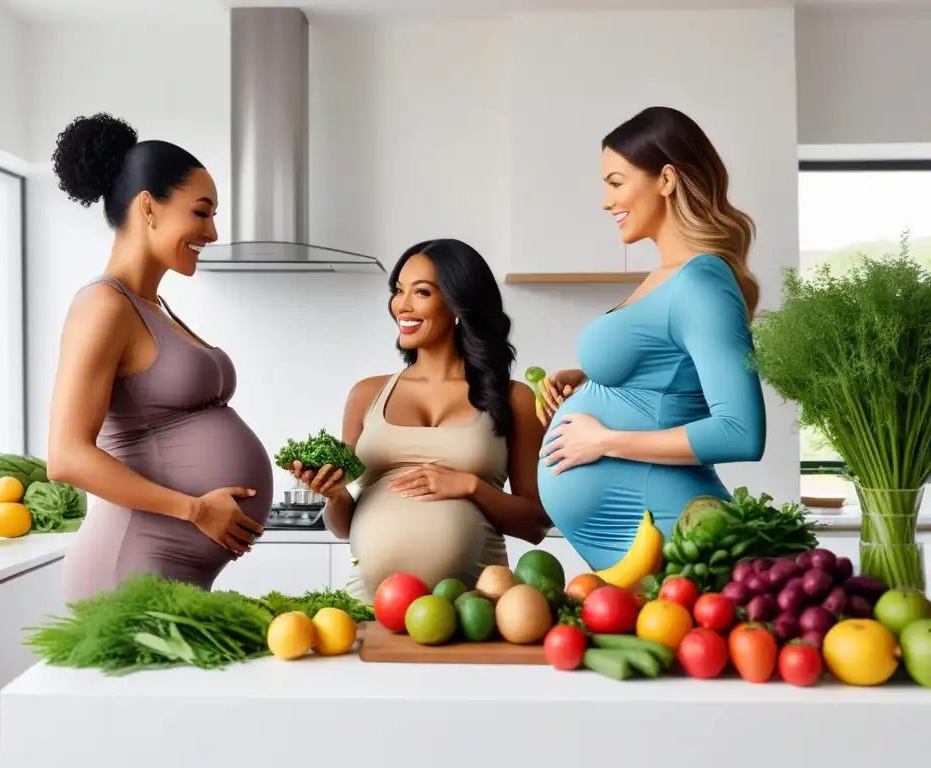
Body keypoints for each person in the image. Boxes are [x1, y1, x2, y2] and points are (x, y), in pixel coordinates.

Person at [47, 113, 270, 602]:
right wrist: (196, 511)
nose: (211, 232)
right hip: (129, 563)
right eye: (201, 212)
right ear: (149, 207)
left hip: (169, 566)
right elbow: (66, 457)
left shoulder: (152, 307)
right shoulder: (104, 305)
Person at [536, 106, 766, 571]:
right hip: (647, 538)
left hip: (675, 531)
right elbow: (667, 368)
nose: (605, 201)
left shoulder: (702, 283)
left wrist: (604, 441)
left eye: (616, 182)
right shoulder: (668, 276)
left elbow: (742, 431)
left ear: (665, 179)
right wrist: (593, 378)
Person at [290, 239, 551, 601]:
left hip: (474, 611)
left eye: (421, 292)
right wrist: (333, 496)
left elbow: (537, 523)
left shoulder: (514, 398)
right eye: (399, 291)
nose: (403, 305)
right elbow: (343, 528)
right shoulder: (366, 395)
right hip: (370, 611)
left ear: (459, 303)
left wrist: (470, 486)